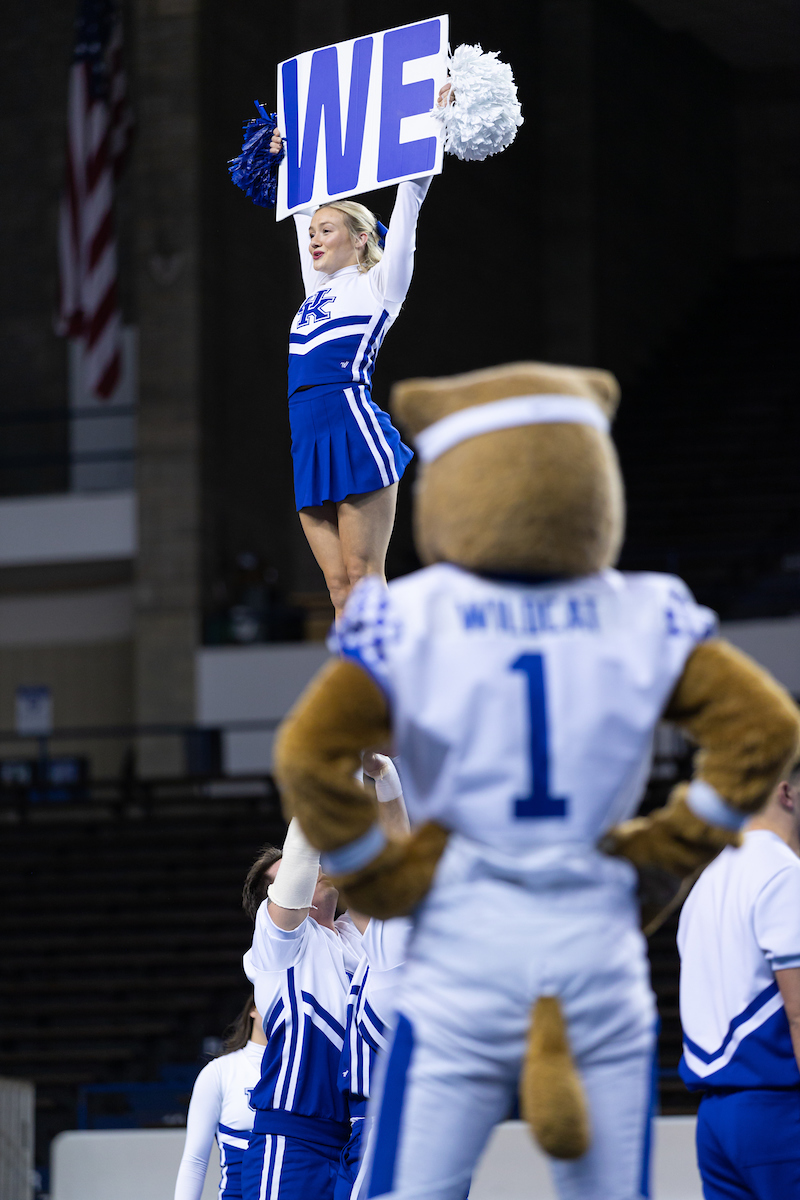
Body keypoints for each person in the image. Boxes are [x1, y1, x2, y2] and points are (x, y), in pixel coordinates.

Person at [268, 85, 450, 616]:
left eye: (327, 231)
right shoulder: (317, 290)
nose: (314, 239)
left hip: (351, 427)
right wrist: (283, 155)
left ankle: (388, 687)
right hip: (306, 434)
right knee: (337, 588)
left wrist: (432, 126)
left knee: (363, 577)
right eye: (313, 233)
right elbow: (301, 205)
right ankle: (360, 680)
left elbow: (410, 198)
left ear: (361, 238)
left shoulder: (379, 287)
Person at [677, 762, 800, 1198]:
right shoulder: (786, 874)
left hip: (715, 1121)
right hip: (780, 1112)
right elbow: (799, 1011)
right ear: (786, 794)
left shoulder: (705, 883)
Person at [239, 822, 363, 1200]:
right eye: (291, 871)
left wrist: (365, 774)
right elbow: (302, 858)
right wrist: (322, 774)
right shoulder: (277, 944)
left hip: (350, 1139)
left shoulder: (354, 941)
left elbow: (374, 865)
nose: (317, 869)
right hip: (292, 1137)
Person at [336, 756, 412, 1200]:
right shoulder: (374, 950)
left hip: (386, 1119)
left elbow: (395, 846)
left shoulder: (395, 942)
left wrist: (376, 779)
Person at [173, 991, 267, 1200]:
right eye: (270, 1000)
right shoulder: (219, 1072)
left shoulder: (304, 1073)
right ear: (252, 1008)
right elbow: (195, 1160)